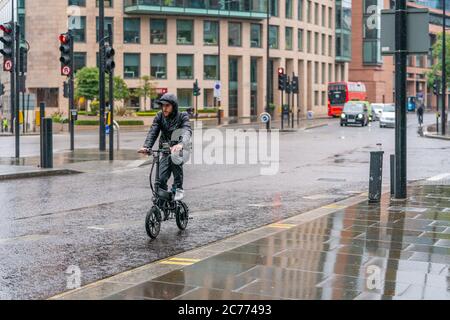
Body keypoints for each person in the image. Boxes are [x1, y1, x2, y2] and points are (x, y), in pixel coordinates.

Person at [138, 93, 192, 201]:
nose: (164, 108)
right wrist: (146, 146)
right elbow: (153, 132)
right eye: (163, 106)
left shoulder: (182, 116)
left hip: (181, 150)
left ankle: (178, 188)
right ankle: (163, 199)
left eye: (167, 106)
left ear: (173, 106)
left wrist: (180, 144)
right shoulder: (159, 116)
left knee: (175, 157)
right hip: (166, 150)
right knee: (161, 178)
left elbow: (186, 131)